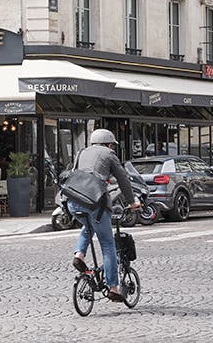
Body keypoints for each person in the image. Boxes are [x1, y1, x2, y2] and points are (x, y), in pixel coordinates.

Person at [68, 129, 139, 302]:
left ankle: (79, 255)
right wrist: (132, 202)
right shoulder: (109, 154)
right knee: (108, 244)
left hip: (73, 201)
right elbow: (123, 179)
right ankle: (113, 287)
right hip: (95, 202)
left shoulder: (81, 152)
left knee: (88, 226)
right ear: (108, 144)